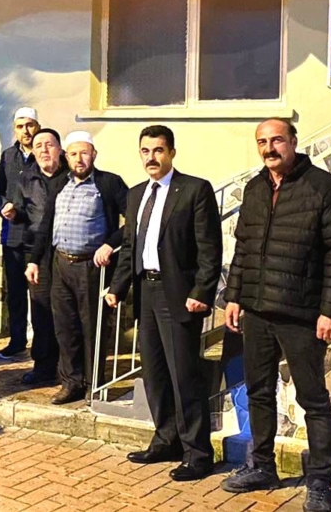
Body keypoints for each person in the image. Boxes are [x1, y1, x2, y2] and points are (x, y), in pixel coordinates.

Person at [220, 118, 331, 512]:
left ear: (293, 141)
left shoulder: (326, 188)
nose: (269, 148)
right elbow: (244, 247)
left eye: (277, 139)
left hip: (302, 314)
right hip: (257, 312)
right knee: (259, 392)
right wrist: (235, 297)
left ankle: (320, 484)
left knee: (313, 401)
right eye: (262, 141)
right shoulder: (255, 188)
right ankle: (262, 466)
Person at [107, 125, 222, 482]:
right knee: (154, 373)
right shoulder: (136, 194)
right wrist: (117, 287)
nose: (151, 157)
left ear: (171, 152)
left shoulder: (194, 190)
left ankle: (198, 453)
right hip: (146, 292)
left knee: (184, 375)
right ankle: (166, 439)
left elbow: (209, 249)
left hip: (179, 295)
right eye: (145, 151)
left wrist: (201, 292)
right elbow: (131, 246)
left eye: (158, 150)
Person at [27, 131, 127, 405]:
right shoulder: (60, 183)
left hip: (91, 267)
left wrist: (110, 244)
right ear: (66, 157)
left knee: (92, 327)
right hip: (60, 265)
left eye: (84, 153)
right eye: (73, 154)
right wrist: (34, 260)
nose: (79, 159)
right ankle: (71, 382)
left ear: (94, 154)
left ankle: (94, 384)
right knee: (65, 328)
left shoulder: (109, 183)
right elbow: (46, 225)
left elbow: (133, 220)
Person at [13, 128, 67, 387]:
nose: (44, 150)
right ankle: (44, 366)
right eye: (39, 146)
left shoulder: (73, 176)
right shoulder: (26, 178)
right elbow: (23, 213)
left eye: (49, 144)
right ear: (33, 152)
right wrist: (14, 213)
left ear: (60, 149)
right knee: (41, 312)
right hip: (37, 254)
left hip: (68, 252)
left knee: (67, 312)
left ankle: (71, 368)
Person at [0, 107, 40, 360]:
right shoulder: (8, 156)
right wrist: (4, 206)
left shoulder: (46, 154)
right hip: (12, 235)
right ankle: (17, 340)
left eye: (30, 125)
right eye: (20, 126)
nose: (26, 131)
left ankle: (42, 344)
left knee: (39, 295)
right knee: (16, 293)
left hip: (37, 237)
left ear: (38, 127)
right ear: (15, 130)